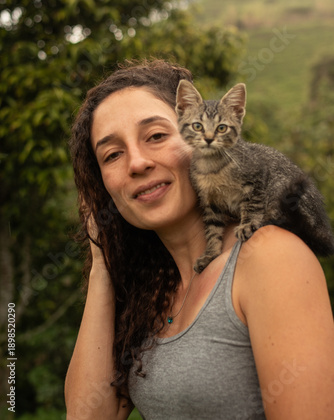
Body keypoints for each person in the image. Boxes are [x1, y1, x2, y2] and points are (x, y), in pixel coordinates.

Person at [65, 59, 334, 420]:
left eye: (156, 136)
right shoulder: (152, 292)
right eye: (112, 154)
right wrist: (101, 263)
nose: (137, 162)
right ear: (103, 186)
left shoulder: (268, 256)